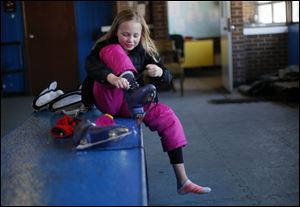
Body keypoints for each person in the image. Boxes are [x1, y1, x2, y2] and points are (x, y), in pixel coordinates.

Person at [82, 9, 211, 195]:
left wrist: (159, 73)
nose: (130, 40)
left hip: (132, 105)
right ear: (115, 31)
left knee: (169, 118)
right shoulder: (105, 46)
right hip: (108, 98)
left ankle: (182, 180)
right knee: (114, 50)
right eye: (125, 34)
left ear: (142, 34)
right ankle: (133, 89)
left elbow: (167, 78)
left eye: (135, 35)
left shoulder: (146, 51)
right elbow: (90, 66)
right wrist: (110, 77)